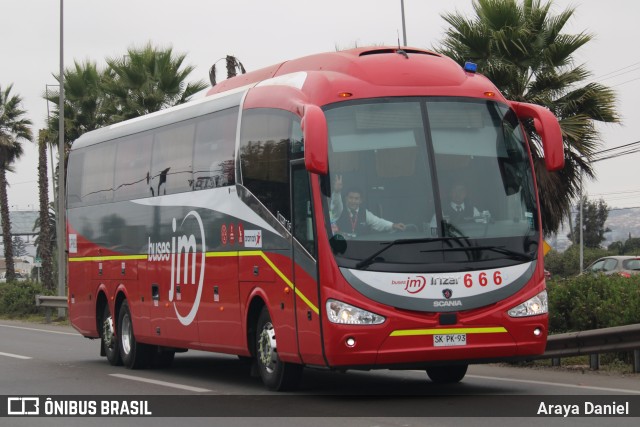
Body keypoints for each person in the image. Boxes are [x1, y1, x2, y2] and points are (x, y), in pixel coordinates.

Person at [330, 175, 406, 236]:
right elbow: (336, 203)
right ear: (346, 198)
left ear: (361, 200)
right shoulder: (339, 210)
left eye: (356, 198)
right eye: (351, 198)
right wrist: (337, 191)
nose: (353, 201)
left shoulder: (365, 213)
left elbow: (377, 222)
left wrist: (393, 225)